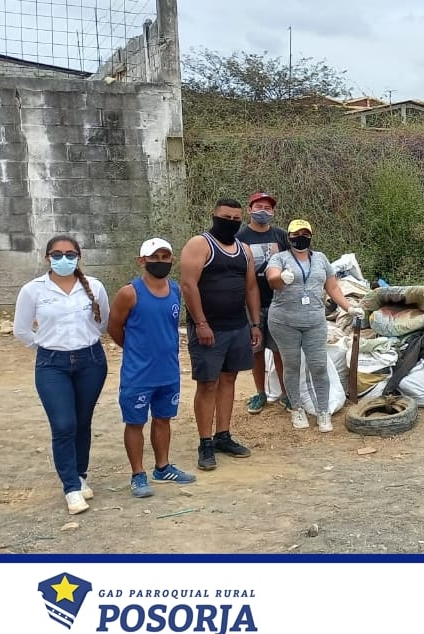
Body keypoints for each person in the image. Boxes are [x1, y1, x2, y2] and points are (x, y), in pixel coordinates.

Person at [14, 236, 110, 515]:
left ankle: (80, 475)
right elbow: (21, 330)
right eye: (57, 254)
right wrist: (47, 346)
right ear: (47, 258)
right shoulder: (33, 290)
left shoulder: (95, 286)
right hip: (52, 365)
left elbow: (103, 323)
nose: (63, 259)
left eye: (70, 254)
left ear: (79, 257)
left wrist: (81, 341)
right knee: (63, 423)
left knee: (82, 420)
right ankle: (70, 488)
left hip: (91, 361)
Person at [107, 238, 197, 498]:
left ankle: (163, 467)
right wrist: (135, 350)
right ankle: (138, 474)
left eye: (165, 257)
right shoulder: (129, 293)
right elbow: (114, 327)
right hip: (138, 374)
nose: (160, 262)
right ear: (141, 260)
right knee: (135, 422)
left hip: (168, 372)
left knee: (163, 419)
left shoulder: (175, 289)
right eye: (154, 257)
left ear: (172, 260)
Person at [179, 198, 263, 471]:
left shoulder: (244, 250)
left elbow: (251, 288)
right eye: (226, 218)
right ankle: (205, 442)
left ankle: (223, 436)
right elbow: (189, 285)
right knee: (207, 384)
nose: (231, 222)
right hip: (209, 329)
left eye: (236, 219)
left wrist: (254, 324)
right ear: (214, 216)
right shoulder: (199, 244)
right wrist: (201, 323)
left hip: (237, 326)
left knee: (229, 379)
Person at [266, 219, 361, 432]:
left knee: (318, 365)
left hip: (314, 321)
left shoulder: (320, 258)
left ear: (310, 236)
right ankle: (296, 408)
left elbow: (332, 287)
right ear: (289, 237)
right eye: (296, 234)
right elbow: (272, 279)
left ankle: (323, 411)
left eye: (305, 234)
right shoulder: (280, 258)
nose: (300, 238)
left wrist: (349, 307)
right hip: (284, 322)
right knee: (292, 365)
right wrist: (281, 277)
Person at [236, 191, 291, 415]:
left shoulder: (281, 236)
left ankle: (286, 394)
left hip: (279, 302)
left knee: (280, 351)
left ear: (273, 212)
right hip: (251, 305)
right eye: (258, 207)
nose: (263, 211)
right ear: (249, 210)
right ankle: (260, 393)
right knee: (256, 350)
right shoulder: (240, 237)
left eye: (268, 208)